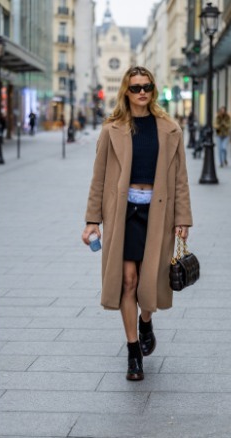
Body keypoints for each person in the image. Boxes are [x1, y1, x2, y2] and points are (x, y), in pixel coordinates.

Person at [82, 65, 193, 381]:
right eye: (135, 87)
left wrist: (183, 218)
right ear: (126, 92)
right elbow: (98, 178)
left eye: (146, 86)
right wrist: (92, 220)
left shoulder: (170, 129)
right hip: (124, 213)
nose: (141, 92)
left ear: (153, 90)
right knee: (128, 280)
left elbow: (181, 179)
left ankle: (146, 321)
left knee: (149, 281)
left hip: (158, 214)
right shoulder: (111, 129)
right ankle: (133, 352)